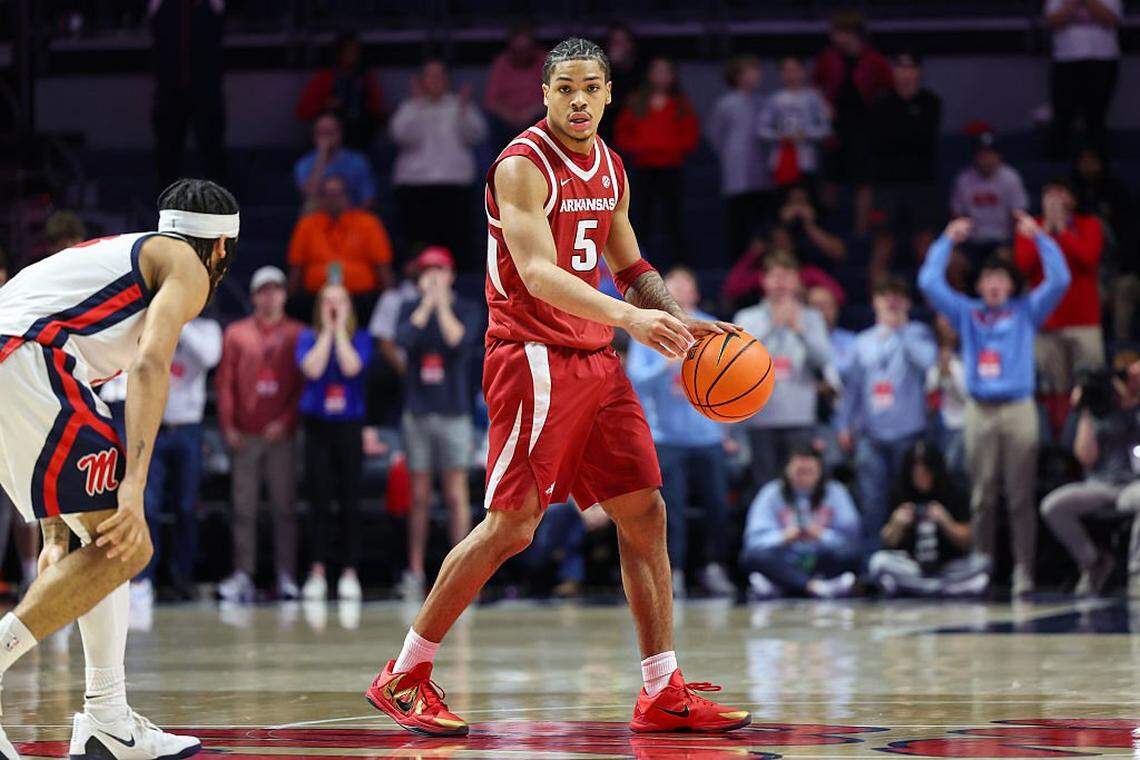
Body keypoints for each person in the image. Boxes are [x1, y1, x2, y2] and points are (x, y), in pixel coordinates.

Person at [365, 38, 750, 738]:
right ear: (545, 93)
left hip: (597, 361)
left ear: (608, 95)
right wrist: (633, 318)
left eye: (591, 88)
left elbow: (629, 264)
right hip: (532, 356)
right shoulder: (520, 166)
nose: (578, 99)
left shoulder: (611, 164)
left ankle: (662, 690)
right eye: (565, 87)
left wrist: (678, 320)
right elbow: (538, 274)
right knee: (513, 526)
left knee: (644, 512)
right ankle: (404, 672)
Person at [0, 177, 240, 758]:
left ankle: (108, 719)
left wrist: (63, 526)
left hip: (22, 360)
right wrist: (134, 486)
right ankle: (99, 710)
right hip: (29, 359)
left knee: (97, 539)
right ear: (223, 249)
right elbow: (152, 366)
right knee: (127, 541)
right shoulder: (187, 264)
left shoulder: (120, 260)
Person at [919, 215, 1072, 598]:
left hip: (1019, 408)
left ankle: (1024, 570)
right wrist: (946, 240)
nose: (993, 284)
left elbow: (1060, 280)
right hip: (980, 408)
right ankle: (981, 567)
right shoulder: (967, 313)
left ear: (1010, 284)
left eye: (1001, 278)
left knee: (1020, 495)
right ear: (979, 285)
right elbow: (928, 283)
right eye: (988, 279)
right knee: (982, 494)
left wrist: (1039, 237)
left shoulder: (1026, 311)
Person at [627, 267, 737, 599]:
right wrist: (667, 364)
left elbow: (736, 378)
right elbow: (636, 379)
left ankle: (715, 568)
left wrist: (731, 429)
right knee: (668, 511)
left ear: (695, 294)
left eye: (683, 288)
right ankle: (672, 574)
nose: (676, 293)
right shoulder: (650, 327)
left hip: (708, 436)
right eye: (669, 289)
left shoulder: (712, 327)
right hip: (667, 438)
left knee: (718, 507)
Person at [392, 247, 481, 601]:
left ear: (450, 275)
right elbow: (403, 340)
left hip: (453, 412)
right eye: (426, 271)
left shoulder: (466, 309)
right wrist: (426, 304)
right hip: (418, 412)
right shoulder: (408, 308)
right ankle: (415, 570)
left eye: (438, 271)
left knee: (456, 493)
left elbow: (457, 340)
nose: (432, 278)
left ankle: (459, 573)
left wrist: (441, 304)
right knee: (419, 496)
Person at [215, 266, 305, 603]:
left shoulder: (297, 333)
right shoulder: (236, 334)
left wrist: (287, 421)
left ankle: (285, 574)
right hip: (247, 434)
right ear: (254, 296)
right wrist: (228, 426)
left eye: (276, 290)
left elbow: (301, 386)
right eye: (264, 291)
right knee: (244, 508)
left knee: (285, 507)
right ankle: (243, 574)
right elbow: (225, 384)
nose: (270, 297)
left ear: (284, 294)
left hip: (281, 435)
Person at [837, 276, 937, 547]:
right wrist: (844, 425)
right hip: (871, 435)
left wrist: (901, 331)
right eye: (885, 296)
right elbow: (853, 389)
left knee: (905, 500)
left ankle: (906, 556)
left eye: (897, 297)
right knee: (872, 501)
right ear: (875, 302)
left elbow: (928, 362)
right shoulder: (863, 341)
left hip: (908, 433)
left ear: (906, 303)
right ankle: (872, 562)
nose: (891, 302)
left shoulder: (919, 333)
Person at [131, 316, 222, 612]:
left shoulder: (207, 329)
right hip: (153, 428)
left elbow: (209, 358)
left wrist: (179, 319)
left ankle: (184, 577)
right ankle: (144, 579)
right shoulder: (155, 322)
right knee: (149, 507)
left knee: (186, 507)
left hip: (188, 429)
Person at [733, 252, 835, 489]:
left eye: (787, 276)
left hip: (799, 418)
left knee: (802, 486)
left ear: (797, 282)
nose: (781, 282)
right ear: (764, 280)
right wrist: (773, 326)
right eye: (775, 276)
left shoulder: (812, 318)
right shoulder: (746, 317)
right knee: (764, 488)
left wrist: (799, 329)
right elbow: (739, 361)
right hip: (761, 419)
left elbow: (823, 360)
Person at [297, 283, 372, 602]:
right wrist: (327, 332)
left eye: (339, 301)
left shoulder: (361, 338)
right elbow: (312, 369)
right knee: (318, 499)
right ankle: (317, 570)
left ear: (349, 306)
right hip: (317, 427)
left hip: (348, 427)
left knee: (349, 500)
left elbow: (351, 366)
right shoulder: (307, 337)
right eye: (327, 300)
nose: (332, 305)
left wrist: (340, 330)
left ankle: (349, 571)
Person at [1041, 354, 1140, 597]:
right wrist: (1084, 409)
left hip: (1131, 484)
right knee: (1053, 506)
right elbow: (1085, 457)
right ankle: (1094, 562)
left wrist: (1131, 403)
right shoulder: (1094, 408)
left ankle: (1137, 573)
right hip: (1099, 485)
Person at [1014, 177, 1105, 433]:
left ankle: (1090, 444)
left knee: (1090, 386)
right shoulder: (1030, 229)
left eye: (1060, 192)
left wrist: (1062, 231)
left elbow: (1088, 258)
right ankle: (1057, 450)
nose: (1053, 199)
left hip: (1084, 322)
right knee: (1053, 391)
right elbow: (1023, 265)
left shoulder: (1090, 225)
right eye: (1048, 193)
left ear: (1072, 200)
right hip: (1047, 323)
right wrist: (1043, 235)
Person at [390, 60, 488, 270]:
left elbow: (476, 135)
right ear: (422, 81)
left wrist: (462, 110)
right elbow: (401, 136)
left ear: (447, 80)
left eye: (439, 76)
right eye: (430, 76)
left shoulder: (459, 105)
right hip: (415, 185)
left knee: (456, 245)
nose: (434, 81)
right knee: (417, 245)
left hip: (453, 185)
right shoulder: (410, 107)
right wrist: (417, 107)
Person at [868, 441, 989, 597]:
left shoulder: (954, 491)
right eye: (916, 473)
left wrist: (946, 522)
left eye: (925, 472)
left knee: (984, 563)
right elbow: (887, 541)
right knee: (878, 563)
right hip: (912, 566)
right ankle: (942, 589)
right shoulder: (901, 493)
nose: (921, 477)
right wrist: (896, 524)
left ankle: (924, 588)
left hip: (947, 565)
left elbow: (967, 541)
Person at [739, 447, 862, 599]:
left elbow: (851, 538)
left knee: (852, 554)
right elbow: (753, 540)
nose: (804, 477)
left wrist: (821, 535)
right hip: (785, 559)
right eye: (799, 471)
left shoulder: (835, 491)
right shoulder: (771, 492)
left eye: (809, 471)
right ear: (787, 470)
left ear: (820, 471)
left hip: (821, 558)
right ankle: (813, 587)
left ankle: (787, 586)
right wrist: (783, 537)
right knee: (751, 556)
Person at [614, 57, 700, 268]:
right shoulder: (636, 102)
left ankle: (680, 267)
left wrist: (673, 148)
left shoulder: (681, 103)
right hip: (644, 168)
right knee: (641, 218)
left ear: (672, 76)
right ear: (649, 75)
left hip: (672, 167)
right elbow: (622, 132)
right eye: (657, 71)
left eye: (666, 71)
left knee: (675, 219)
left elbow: (691, 133)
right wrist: (639, 148)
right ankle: (635, 265)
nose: (661, 76)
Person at [812, 11, 893, 234]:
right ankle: (826, 229)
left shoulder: (874, 60)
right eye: (834, 33)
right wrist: (823, 106)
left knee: (863, 183)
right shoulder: (828, 58)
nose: (836, 38)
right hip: (833, 128)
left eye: (840, 33)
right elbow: (815, 86)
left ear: (855, 34)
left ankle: (861, 232)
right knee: (829, 180)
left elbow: (888, 89)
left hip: (864, 129)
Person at [287, 174, 394, 313]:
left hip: (361, 300)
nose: (333, 200)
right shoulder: (306, 225)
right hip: (316, 300)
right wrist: (288, 302)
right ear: (320, 198)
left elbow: (383, 267)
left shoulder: (368, 223)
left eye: (338, 194)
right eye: (328, 194)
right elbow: (296, 269)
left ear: (347, 197)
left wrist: (391, 301)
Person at [149, 1, 226, 188]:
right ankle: (166, 206)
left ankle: (215, 206)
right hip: (169, 90)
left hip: (206, 90)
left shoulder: (212, 4)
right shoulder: (160, 4)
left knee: (211, 152)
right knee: (167, 155)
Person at [870, 51, 943, 236]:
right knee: (883, 241)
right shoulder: (881, 102)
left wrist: (898, 135)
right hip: (887, 182)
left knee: (924, 241)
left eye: (910, 67)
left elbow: (923, 139)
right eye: (900, 67)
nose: (905, 73)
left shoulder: (931, 102)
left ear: (918, 72)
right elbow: (879, 141)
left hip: (920, 181)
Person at [708, 55, 771, 263]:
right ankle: (737, 266)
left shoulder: (763, 102)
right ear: (738, 76)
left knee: (761, 221)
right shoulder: (726, 104)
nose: (756, 75)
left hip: (761, 171)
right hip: (736, 172)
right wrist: (730, 156)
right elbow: (715, 135)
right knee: (738, 223)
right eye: (750, 71)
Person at [1046, 0, 1122, 158]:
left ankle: (1097, 167)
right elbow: (1052, 22)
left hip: (1102, 59)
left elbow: (1112, 20)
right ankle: (1059, 167)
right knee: (1063, 116)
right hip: (1067, 59)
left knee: (1096, 117)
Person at [295, 32, 384, 150]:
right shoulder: (325, 77)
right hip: (329, 139)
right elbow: (302, 111)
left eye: (355, 51)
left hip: (360, 136)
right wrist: (325, 104)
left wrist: (365, 107)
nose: (352, 55)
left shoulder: (367, 78)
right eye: (348, 51)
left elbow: (379, 111)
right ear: (339, 53)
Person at [950, 131, 1029, 259]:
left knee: (1005, 258)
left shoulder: (1011, 178)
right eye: (982, 154)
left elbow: (1019, 214)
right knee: (954, 260)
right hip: (972, 241)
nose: (986, 158)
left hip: (1002, 240)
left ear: (999, 156)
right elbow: (956, 213)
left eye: (990, 153)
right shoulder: (963, 179)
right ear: (975, 156)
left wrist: (1013, 244)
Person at [757, 57, 831, 192]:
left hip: (807, 161)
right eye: (787, 70)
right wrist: (780, 136)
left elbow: (825, 129)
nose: (791, 74)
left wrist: (805, 134)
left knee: (808, 203)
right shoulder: (774, 99)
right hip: (781, 161)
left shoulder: (814, 98)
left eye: (795, 70)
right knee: (782, 204)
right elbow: (762, 130)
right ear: (781, 74)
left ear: (803, 72)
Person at [294, 113, 378, 212]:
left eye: (330, 132)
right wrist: (322, 156)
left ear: (340, 133)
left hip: (351, 215)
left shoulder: (357, 161)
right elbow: (309, 195)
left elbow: (368, 198)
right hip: (318, 216)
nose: (326, 137)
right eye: (321, 133)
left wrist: (354, 221)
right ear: (314, 136)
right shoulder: (305, 163)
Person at [484, 24, 548, 143]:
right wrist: (511, 116)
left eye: (525, 48)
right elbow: (491, 101)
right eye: (518, 49)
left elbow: (555, 95)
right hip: (507, 121)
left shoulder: (544, 61)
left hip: (537, 117)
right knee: (491, 122)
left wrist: (529, 113)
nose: (522, 53)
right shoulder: (501, 63)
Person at [927, 315, 969, 479]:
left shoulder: (968, 351)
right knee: (942, 474)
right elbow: (930, 396)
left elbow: (969, 395)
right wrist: (940, 376)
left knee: (961, 474)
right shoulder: (930, 351)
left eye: (950, 319)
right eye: (942, 319)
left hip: (964, 423)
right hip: (940, 425)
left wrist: (952, 374)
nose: (947, 325)